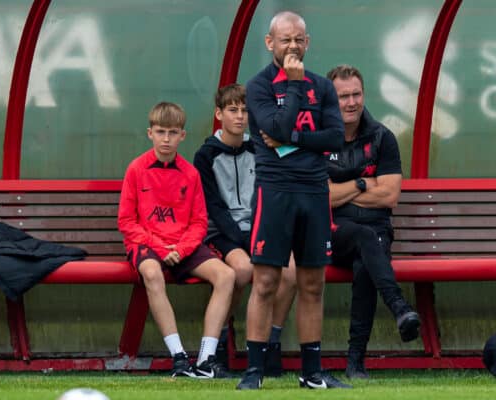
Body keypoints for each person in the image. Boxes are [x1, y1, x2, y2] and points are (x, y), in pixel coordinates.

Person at [236, 11, 350, 390]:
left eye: (299, 39)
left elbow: (335, 137)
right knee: (266, 280)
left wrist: (296, 141)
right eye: (285, 39)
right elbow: (278, 126)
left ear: (308, 42)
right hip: (276, 189)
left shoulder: (324, 86)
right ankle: (253, 372)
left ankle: (312, 373)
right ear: (270, 43)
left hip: (314, 189)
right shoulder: (259, 86)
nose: (293, 46)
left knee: (313, 283)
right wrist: (295, 88)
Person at [117, 101, 236, 378]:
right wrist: (160, 248)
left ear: (182, 135)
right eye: (160, 132)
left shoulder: (190, 173)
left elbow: (199, 222)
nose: (166, 139)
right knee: (151, 273)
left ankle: (206, 360)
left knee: (227, 276)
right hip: (148, 245)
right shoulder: (136, 169)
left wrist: (180, 250)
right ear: (150, 133)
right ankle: (179, 358)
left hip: (183, 247)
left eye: (173, 132)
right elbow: (126, 222)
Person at [193, 83, 297, 376]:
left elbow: (269, 192)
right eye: (232, 110)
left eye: (245, 111)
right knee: (242, 270)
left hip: (259, 228)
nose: (239, 117)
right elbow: (213, 206)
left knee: (289, 270)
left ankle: (270, 344)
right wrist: (243, 240)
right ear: (219, 114)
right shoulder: (206, 155)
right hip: (224, 234)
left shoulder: (260, 148)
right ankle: (224, 338)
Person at [325, 65, 421, 379]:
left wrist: (345, 190)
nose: (351, 102)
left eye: (356, 94)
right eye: (343, 96)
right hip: (332, 230)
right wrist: (364, 183)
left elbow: (390, 196)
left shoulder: (382, 137)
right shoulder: (320, 138)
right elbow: (321, 198)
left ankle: (355, 363)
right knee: (366, 240)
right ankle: (399, 308)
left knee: (367, 259)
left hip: (376, 229)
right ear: (330, 98)